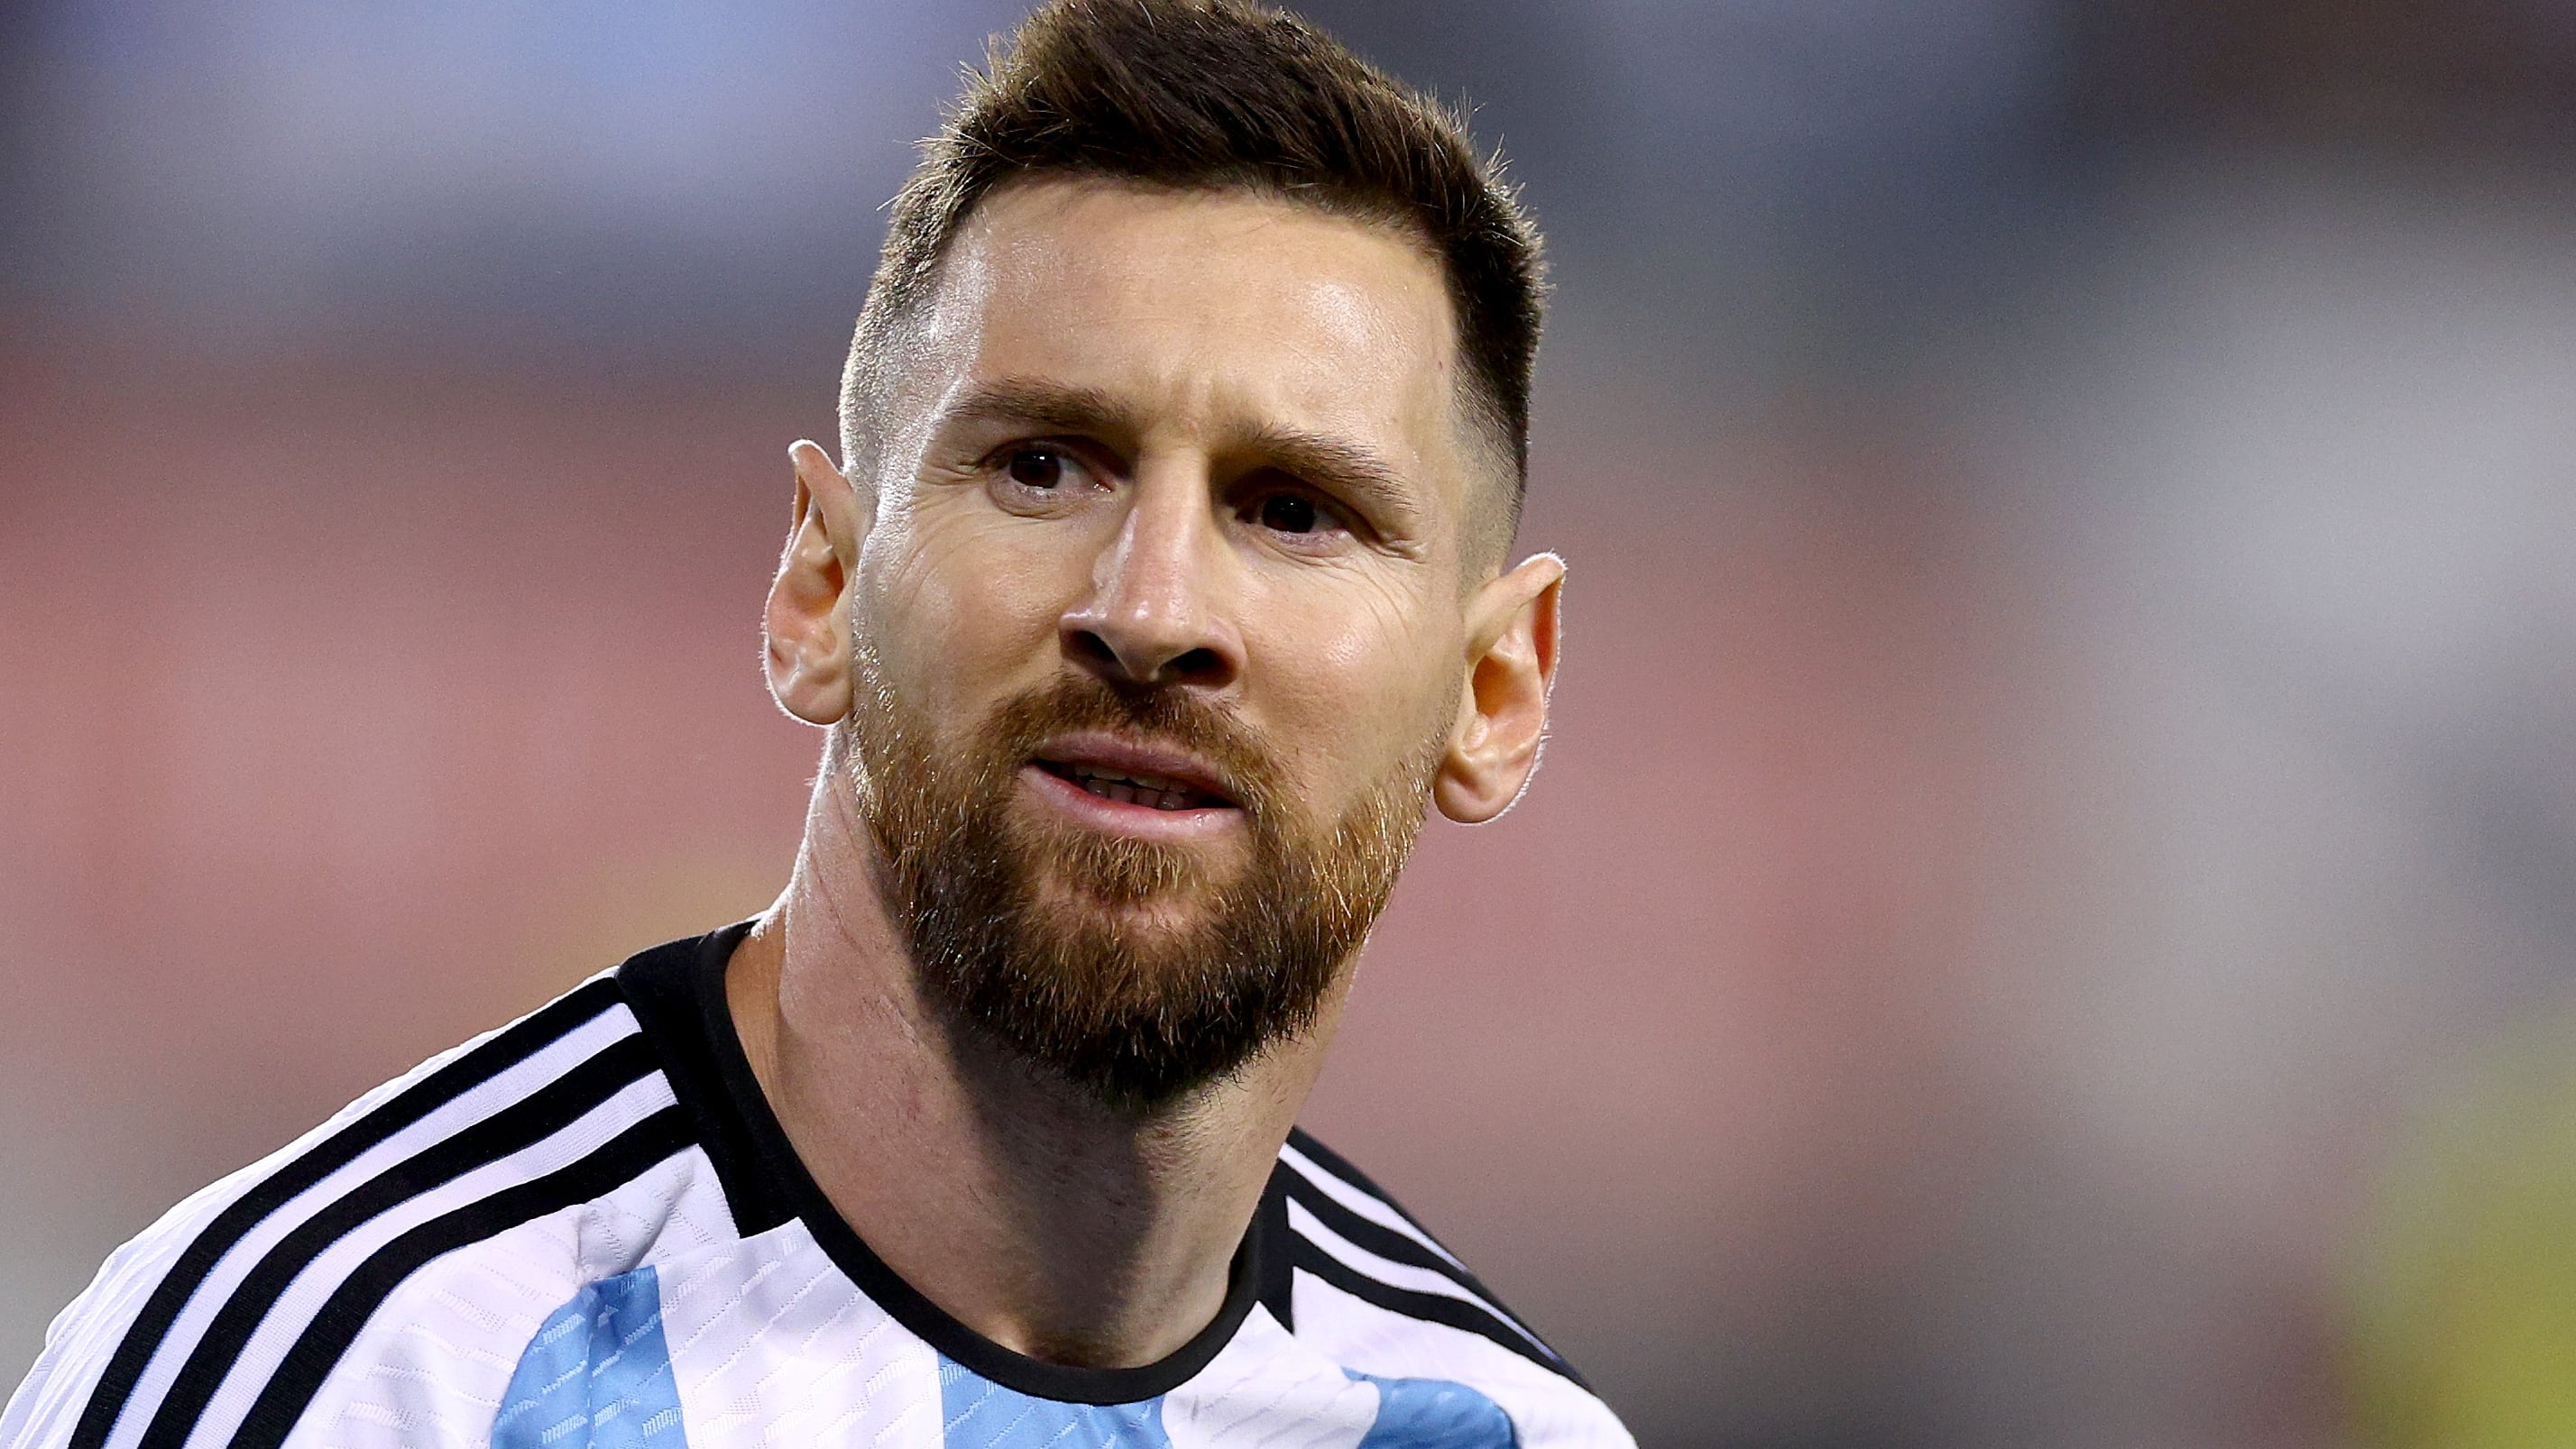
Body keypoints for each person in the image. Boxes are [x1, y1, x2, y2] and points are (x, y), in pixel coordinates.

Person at [2, 0, 1631, 1444]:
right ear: (823, 589)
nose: (1150, 609)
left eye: (1293, 510)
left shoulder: (1500, 1432)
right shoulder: (360, 1373)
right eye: (1045, 465)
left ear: (1495, 693)